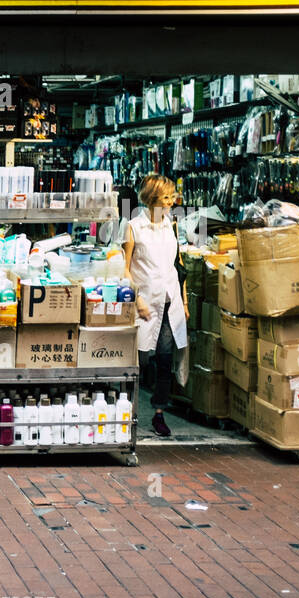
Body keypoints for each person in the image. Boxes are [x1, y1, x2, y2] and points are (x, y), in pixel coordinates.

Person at [123, 174, 187, 437]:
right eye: (166, 198)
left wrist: (184, 300)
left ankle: (159, 413)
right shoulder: (132, 227)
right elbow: (123, 268)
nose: (171, 203)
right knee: (138, 361)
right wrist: (137, 299)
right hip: (145, 303)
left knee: (164, 358)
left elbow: (178, 265)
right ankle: (127, 413)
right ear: (151, 199)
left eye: (172, 197)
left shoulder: (171, 224)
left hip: (169, 302)